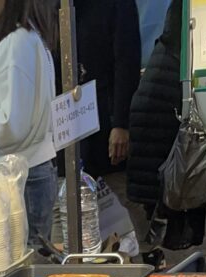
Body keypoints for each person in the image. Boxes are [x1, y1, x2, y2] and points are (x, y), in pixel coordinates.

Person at [0, 0, 57, 242]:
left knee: (22, 258)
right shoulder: (24, 37)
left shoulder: (14, 43)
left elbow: (7, 129)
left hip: (21, 176)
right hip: (30, 171)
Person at [127, 0, 204, 248]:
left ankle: (156, 251)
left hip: (150, 161)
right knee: (156, 230)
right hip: (157, 169)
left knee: (153, 223)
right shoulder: (177, 61)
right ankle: (156, 253)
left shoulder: (167, 53)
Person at [74, 0, 141, 178]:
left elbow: (127, 64)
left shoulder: (118, 5)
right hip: (71, 124)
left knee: (110, 186)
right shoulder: (59, 7)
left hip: (106, 121)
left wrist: (121, 123)